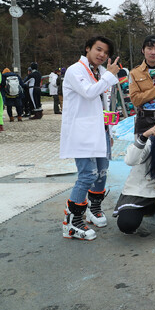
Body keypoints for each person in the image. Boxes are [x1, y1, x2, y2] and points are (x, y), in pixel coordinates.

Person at [60, 36, 120, 241]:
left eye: (106, 52)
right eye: (98, 49)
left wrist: (109, 132)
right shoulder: (75, 70)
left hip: (101, 131)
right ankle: (72, 222)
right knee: (87, 175)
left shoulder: (101, 72)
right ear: (88, 48)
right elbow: (88, 93)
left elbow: (105, 104)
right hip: (82, 132)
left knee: (102, 172)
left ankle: (94, 209)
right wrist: (109, 76)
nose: (102, 54)